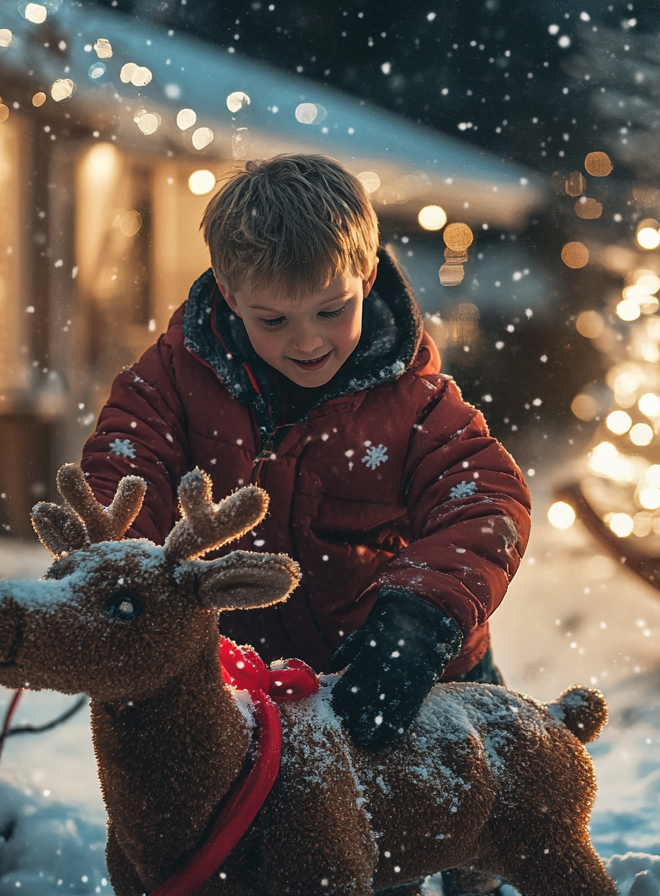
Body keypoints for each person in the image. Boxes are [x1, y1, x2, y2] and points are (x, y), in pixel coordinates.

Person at [79, 155, 531, 767]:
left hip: (413, 671)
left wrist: (421, 617)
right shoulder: (173, 382)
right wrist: (126, 574)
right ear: (232, 297)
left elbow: (486, 500)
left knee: (471, 810)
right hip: (256, 684)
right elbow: (126, 464)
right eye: (274, 320)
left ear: (367, 277)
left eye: (330, 310)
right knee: (285, 846)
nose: (307, 341)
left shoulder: (417, 405)